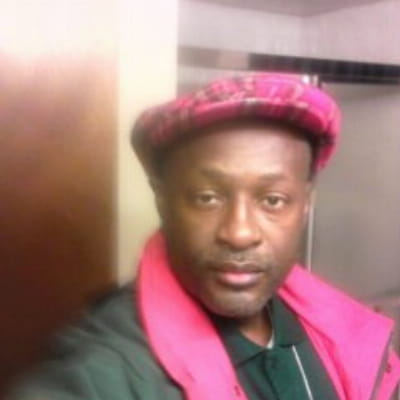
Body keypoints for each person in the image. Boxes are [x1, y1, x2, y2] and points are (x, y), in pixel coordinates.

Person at [8, 73, 400, 400]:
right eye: (207, 197)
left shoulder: (340, 334)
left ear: (305, 206)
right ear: (163, 201)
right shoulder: (105, 370)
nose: (240, 233)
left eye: (273, 200)